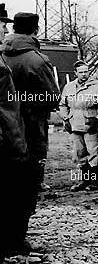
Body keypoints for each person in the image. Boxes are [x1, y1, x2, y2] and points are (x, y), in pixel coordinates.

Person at [2, 12, 60, 200]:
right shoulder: (37, 60)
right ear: (36, 30)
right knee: (28, 181)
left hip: (5, 127)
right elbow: (52, 97)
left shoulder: (2, 56)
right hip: (32, 126)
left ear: (13, 29)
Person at [0, 5, 31, 259]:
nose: (5, 28)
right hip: (11, 135)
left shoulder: (3, 56)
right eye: (1, 23)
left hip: (12, 131)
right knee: (16, 191)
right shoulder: (36, 59)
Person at [59, 60, 98, 191]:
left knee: (93, 151)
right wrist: (65, 119)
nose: (84, 74)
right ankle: (84, 181)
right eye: (81, 72)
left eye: (86, 71)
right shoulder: (69, 87)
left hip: (90, 124)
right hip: (74, 124)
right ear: (75, 73)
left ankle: (95, 182)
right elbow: (63, 105)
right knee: (79, 153)